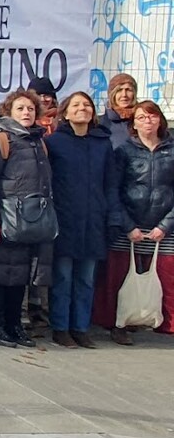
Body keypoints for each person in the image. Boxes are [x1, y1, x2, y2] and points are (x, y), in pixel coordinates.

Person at [0, 90, 54, 348]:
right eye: (20, 109)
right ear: (8, 112)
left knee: (19, 275)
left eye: (30, 109)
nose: (26, 113)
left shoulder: (38, 142)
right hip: (5, 217)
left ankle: (13, 324)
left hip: (29, 221)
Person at [93, 100, 174, 345]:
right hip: (129, 226)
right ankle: (119, 325)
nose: (147, 121)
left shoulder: (172, 149)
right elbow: (113, 191)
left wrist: (166, 225)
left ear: (160, 120)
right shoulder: (123, 151)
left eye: (151, 116)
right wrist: (127, 225)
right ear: (133, 124)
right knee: (119, 277)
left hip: (163, 226)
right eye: (141, 117)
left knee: (167, 279)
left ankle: (164, 326)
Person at [45, 91, 117, 348]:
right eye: (76, 105)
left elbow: (111, 183)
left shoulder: (102, 144)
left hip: (94, 220)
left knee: (86, 278)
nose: (82, 109)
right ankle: (61, 327)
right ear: (65, 112)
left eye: (86, 105)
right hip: (65, 218)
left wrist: (110, 213)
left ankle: (81, 327)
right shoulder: (54, 143)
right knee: (63, 276)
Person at [23, 76, 59, 334]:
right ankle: (24, 313)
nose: (45, 99)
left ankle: (42, 314)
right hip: (27, 204)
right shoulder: (23, 130)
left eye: (48, 95)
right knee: (26, 261)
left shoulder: (63, 126)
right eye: (39, 96)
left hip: (55, 202)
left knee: (45, 263)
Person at [99, 73, 138, 148]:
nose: (124, 95)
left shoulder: (143, 119)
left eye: (128, 90)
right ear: (112, 94)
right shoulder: (101, 123)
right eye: (119, 90)